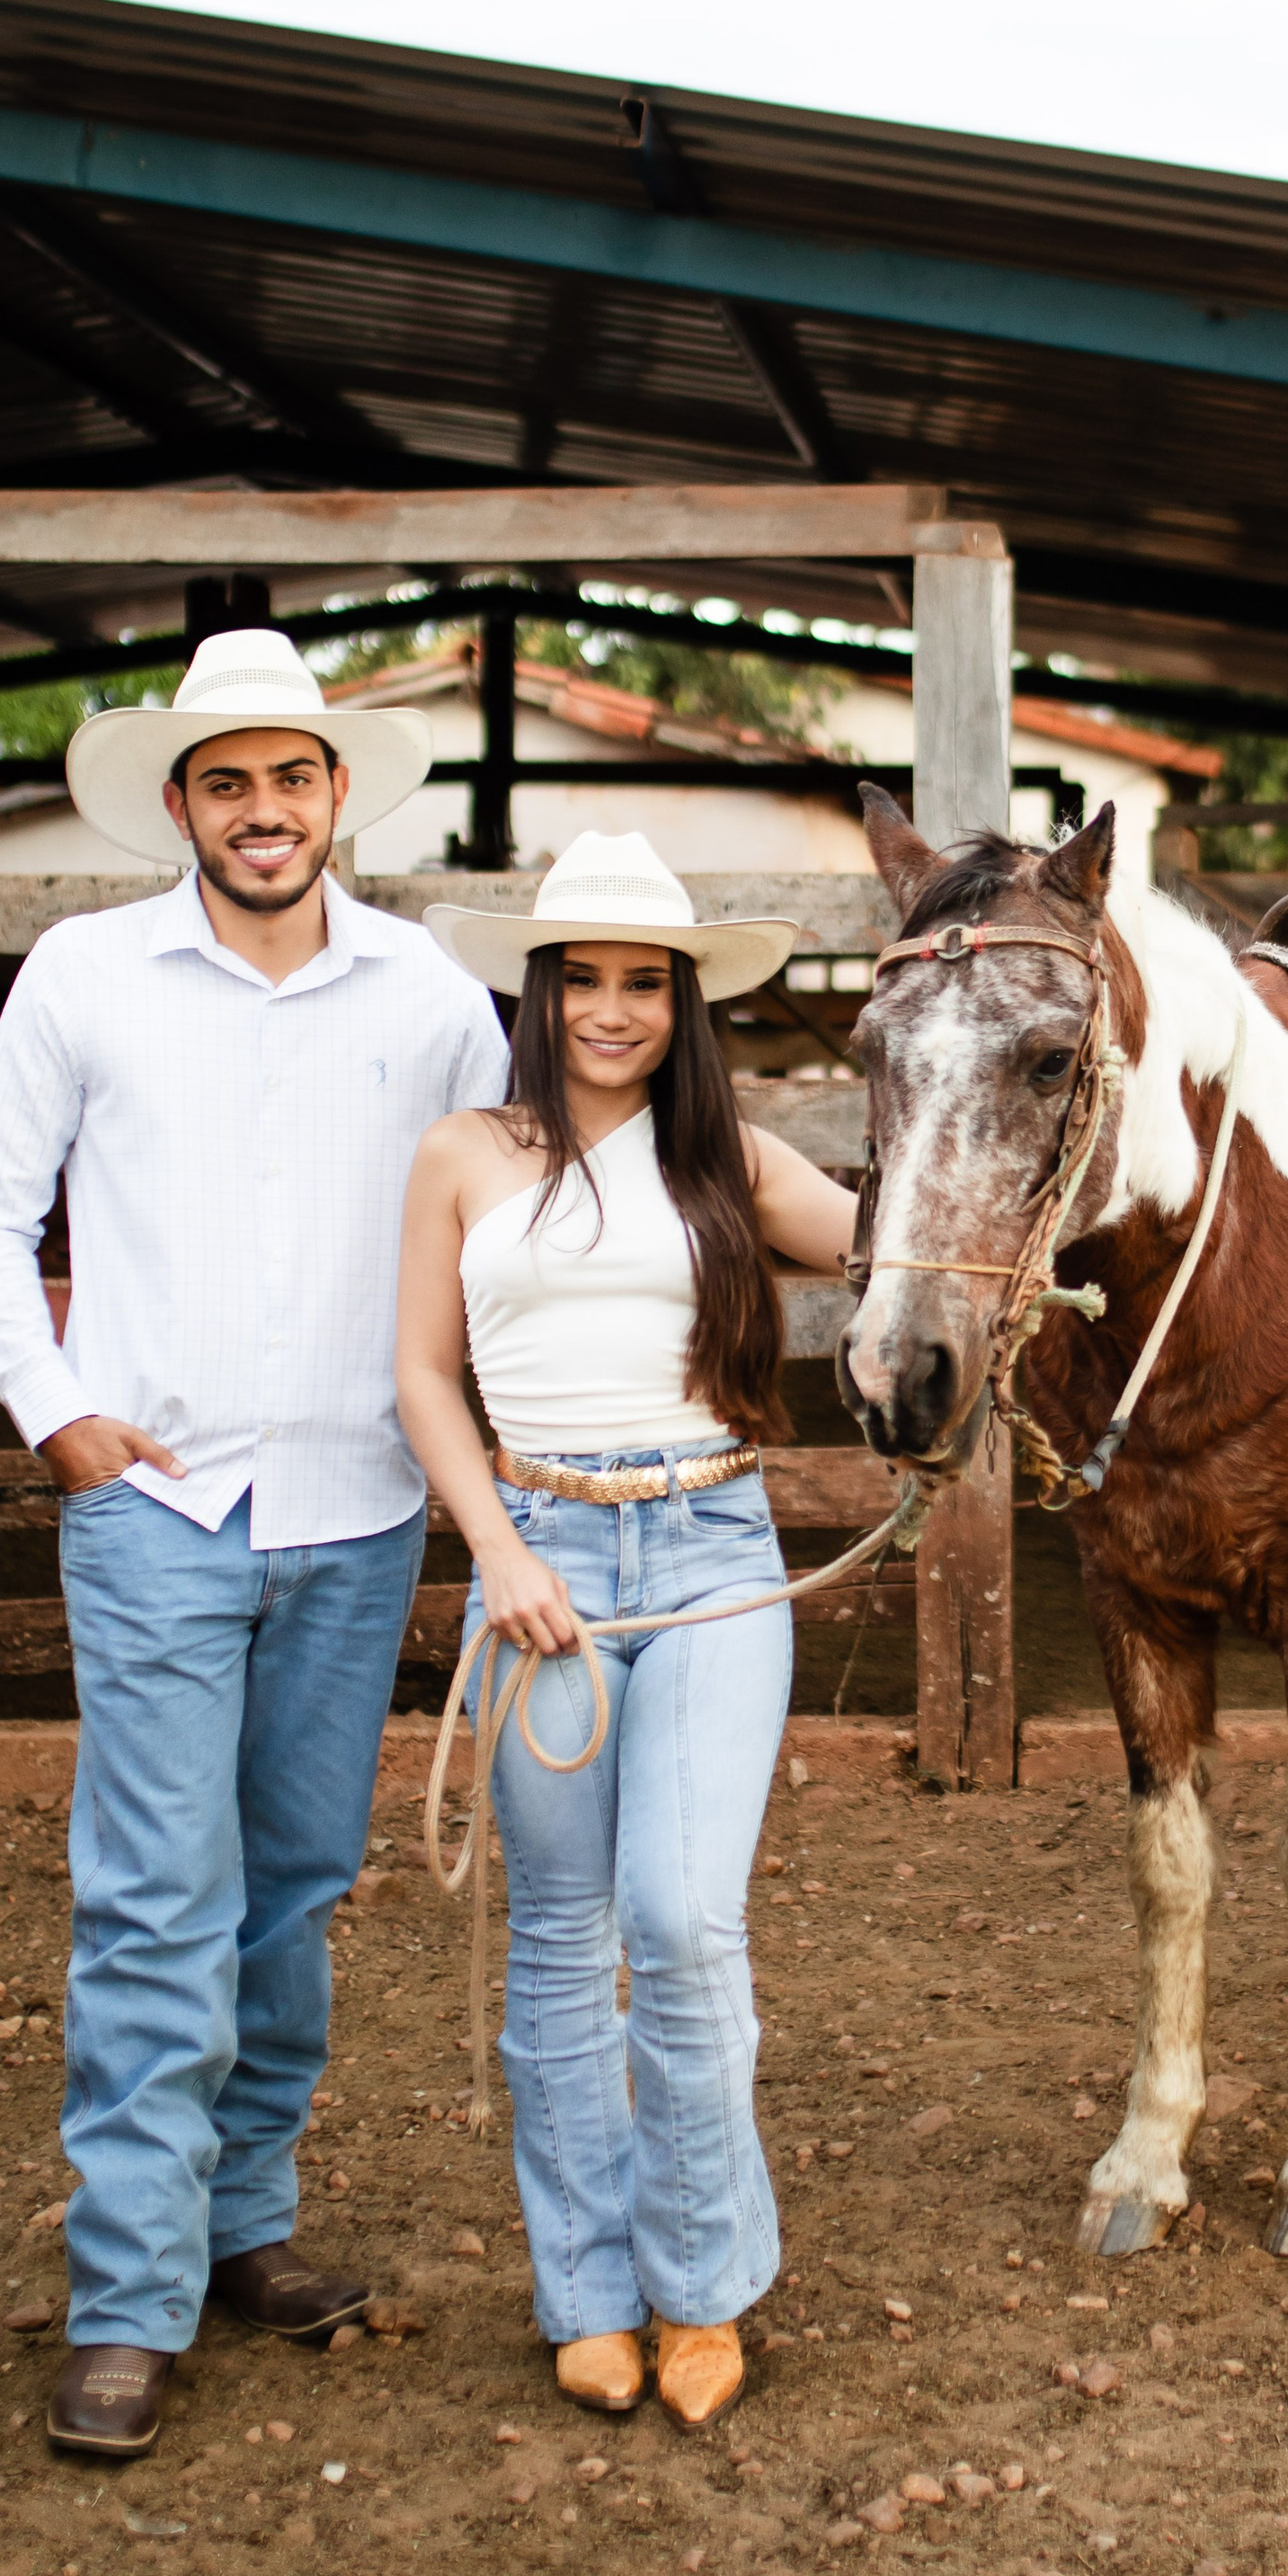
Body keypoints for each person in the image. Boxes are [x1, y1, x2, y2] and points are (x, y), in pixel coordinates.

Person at [0, 630, 511, 2460]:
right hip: (160, 1509)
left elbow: (500, 1220)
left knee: (290, 1889)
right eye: (226, 781)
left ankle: (237, 2229)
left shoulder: (426, 994)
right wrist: (57, 1416)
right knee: (153, 1900)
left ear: (337, 796)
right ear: (180, 803)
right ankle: (124, 2293)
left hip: (356, 1505)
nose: (262, 811)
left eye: (291, 778)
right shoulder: (86, 973)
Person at [397, 830, 855, 2429]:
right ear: (541, 988)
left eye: (642, 982)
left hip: (715, 1546)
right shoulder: (465, 1152)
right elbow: (423, 1378)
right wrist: (498, 1548)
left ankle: (705, 2282)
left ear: (682, 999)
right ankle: (588, 2288)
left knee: (681, 1916)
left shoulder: (726, 1155)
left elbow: (903, 1236)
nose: (610, 1009)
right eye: (582, 977)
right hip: (545, 1561)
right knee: (561, 1934)